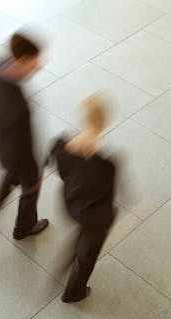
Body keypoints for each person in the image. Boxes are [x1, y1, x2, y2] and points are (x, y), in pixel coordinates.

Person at [0, 31, 49, 240]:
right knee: (30, 186)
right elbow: (24, 146)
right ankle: (24, 227)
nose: (38, 67)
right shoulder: (18, 106)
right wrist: (33, 176)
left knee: (10, 185)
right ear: (23, 60)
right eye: (35, 63)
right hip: (13, 154)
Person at [48, 93, 117, 302]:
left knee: (83, 235)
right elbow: (107, 199)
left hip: (70, 204)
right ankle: (74, 292)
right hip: (92, 216)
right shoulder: (105, 164)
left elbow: (56, 166)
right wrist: (106, 224)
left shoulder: (60, 144)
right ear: (103, 123)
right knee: (87, 254)